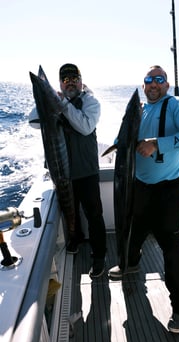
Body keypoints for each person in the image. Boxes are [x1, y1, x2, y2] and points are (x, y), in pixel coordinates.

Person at [109, 65, 179, 333]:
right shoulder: (140, 109)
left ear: (167, 84)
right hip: (139, 187)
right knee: (132, 233)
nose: (153, 84)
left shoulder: (178, 105)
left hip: (169, 191)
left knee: (172, 250)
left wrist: (157, 143)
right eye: (149, 80)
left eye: (159, 79)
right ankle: (129, 265)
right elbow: (122, 139)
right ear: (143, 85)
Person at [29, 63, 106, 278]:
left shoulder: (91, 102)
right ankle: (76, 238)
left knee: (94, 214)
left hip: (86, 171)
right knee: (68, 209)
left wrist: (61, 102)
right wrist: (46, 97)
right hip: (62, 172)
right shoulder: (54, 100)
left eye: (74, 78)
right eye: (65, 80)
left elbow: (85, 127)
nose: (70, 82)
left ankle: (99, 255)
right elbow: (33, 121)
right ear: (60, 84)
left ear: (81, 81)